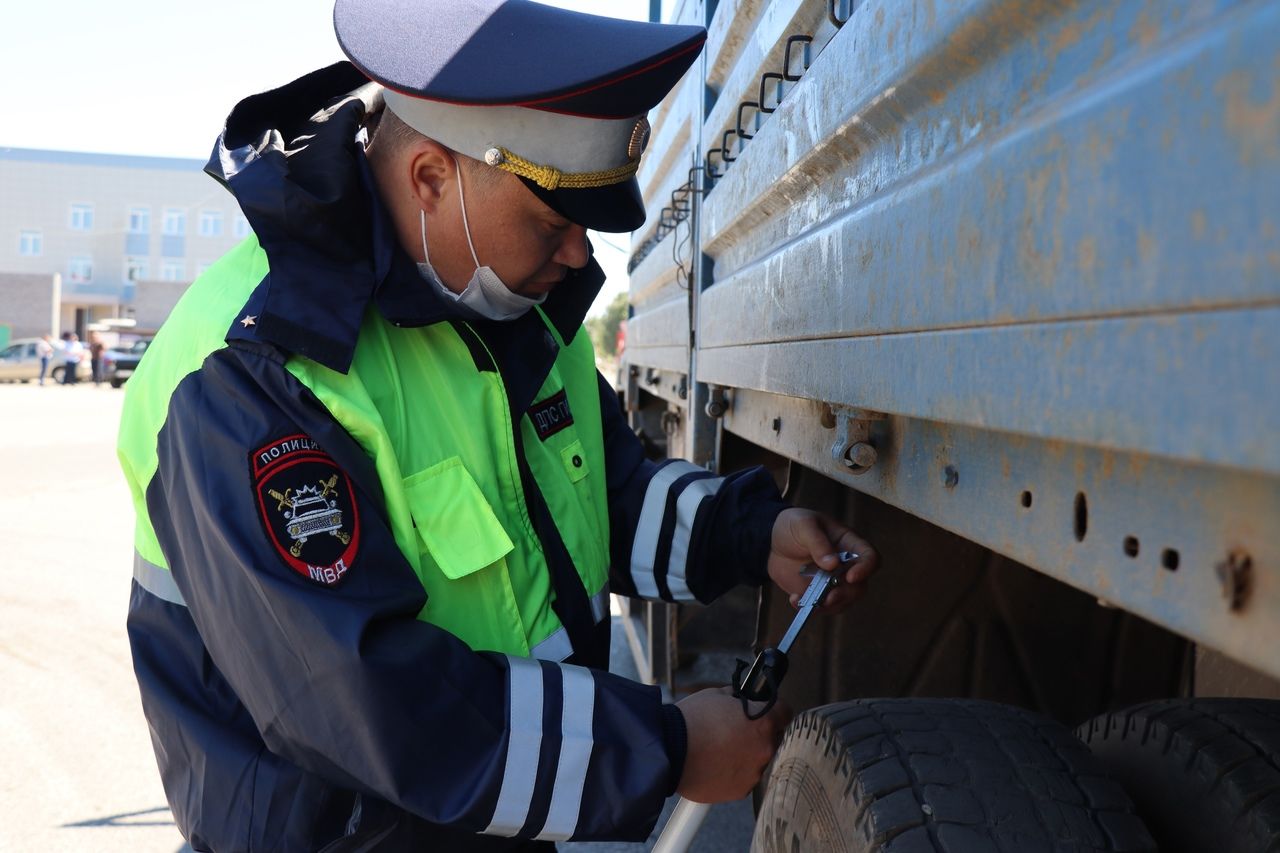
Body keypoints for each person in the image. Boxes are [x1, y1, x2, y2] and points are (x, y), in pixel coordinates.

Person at [118, 2, 878, 850]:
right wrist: (663, 749)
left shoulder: (501, 307)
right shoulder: (259, 371)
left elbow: (598, 497)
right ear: (432, 179)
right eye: (554, 222)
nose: (580, 255)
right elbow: (358, 699)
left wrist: (752, 533)